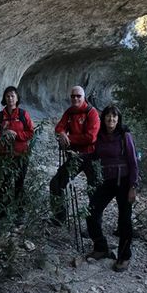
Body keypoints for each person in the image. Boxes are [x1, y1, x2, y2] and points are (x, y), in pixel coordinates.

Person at [83, 105, 139, 272]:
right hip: (106, 181)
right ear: (104, 118)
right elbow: (94, 155)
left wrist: (133, 186)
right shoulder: (100, 136)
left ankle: (124, 256)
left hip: (123, 181)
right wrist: (78, 156)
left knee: (124, 220)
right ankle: (101, 247)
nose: (111, 120)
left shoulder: (124, 136)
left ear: (118, 119)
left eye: (114, 117)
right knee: (91, 212)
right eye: (108, 116)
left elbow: (133, 162)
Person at [49, 85, 101, 223]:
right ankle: (59, 217)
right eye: (73, 96)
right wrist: (61, 133)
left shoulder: (92, 113)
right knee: (56, 183)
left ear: (84, 97)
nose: (75, 98)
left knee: (93, 190)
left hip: (91, 156)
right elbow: (59, 127)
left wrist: (69, 138)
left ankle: (94, 224)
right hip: (75, 155)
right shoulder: (70, 112)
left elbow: (91, 137)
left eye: (78, 96)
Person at [0, 86, 35, 202]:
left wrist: (16, 134)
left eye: (12, 96)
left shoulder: (23, 115)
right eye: (8, 96)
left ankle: (19, 212)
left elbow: (30, 133)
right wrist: (3, 133)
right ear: (5, 98)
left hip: (21, 155)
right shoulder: (0, 116)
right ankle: (2, 210)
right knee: (4, 183)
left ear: (17, 98)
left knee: (19, 183)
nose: (10, 99)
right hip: (4, 155)